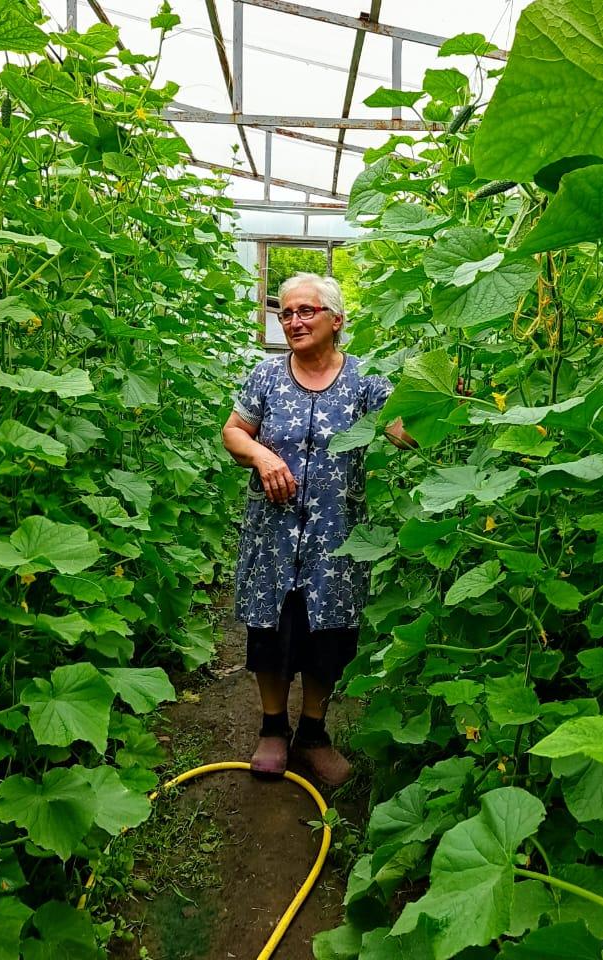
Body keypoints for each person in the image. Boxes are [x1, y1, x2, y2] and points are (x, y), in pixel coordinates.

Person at [221, 273, 411, 786]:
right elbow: (234, 432)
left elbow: (400, 430)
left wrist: (437, 410)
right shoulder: (265, 376)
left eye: (306, 311)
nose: (294, 321)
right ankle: (272, 729)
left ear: (335, 320)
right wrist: (261, 455)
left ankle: (313, 733)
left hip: (336, 537)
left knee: (328, 635)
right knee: (272, 630)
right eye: (286, 313)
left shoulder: (364, 380)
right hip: (273, 534)